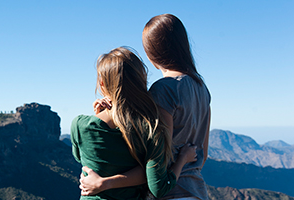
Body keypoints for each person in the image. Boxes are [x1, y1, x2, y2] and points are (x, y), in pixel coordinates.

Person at [80, 14, 211, 200]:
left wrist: (104, 182)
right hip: (197, 192)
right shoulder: (201, 88)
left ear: (151, 52)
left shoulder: (163, 90)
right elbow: (202, 155)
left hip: (170, 194)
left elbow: (154, 163)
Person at [71, 46, 198, 200]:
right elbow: (159, 187)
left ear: (102, 83)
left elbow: (83, 158)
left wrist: (97, 117)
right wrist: (182, 159)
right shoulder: (152, 128)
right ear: (142, 79)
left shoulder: (79, 125)